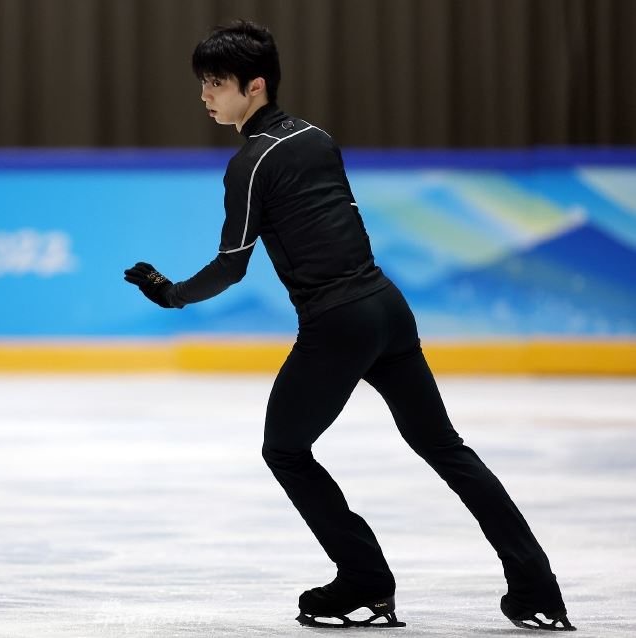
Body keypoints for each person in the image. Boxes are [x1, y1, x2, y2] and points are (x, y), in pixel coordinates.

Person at [123, 20, 574, 632]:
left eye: (217, 83)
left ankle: (364, 580)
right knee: (444, 447)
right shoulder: (317, 137)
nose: (205, 95)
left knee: (284, 450)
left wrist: (172, 295)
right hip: (386, 308)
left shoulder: (251, 162)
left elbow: (233, 265)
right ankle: (537, 588)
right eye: (203, 82)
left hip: (336, 321)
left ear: (255, 87)